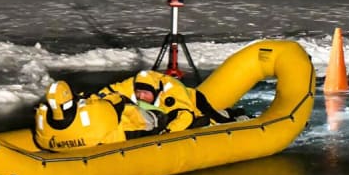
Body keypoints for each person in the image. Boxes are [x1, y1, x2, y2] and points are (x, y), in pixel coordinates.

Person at [98, 70, 246, 133]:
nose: (141, 96)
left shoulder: (171, 92)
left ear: (156, 92)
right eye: (139, 93)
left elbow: (185, 116)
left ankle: (236, 116)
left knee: (215, 120)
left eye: (145, 93)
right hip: (163, 112)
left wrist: (167, 133)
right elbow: (108, 91)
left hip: (194, 102)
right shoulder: (133, 84)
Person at [34, 80, 165, 152]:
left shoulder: (42, 117)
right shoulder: (94, 111)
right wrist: (103, 98)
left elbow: (41, 141)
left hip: (62, 142)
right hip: (111, 138)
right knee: (126, 111)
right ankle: (157, 120)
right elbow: (117, 103)